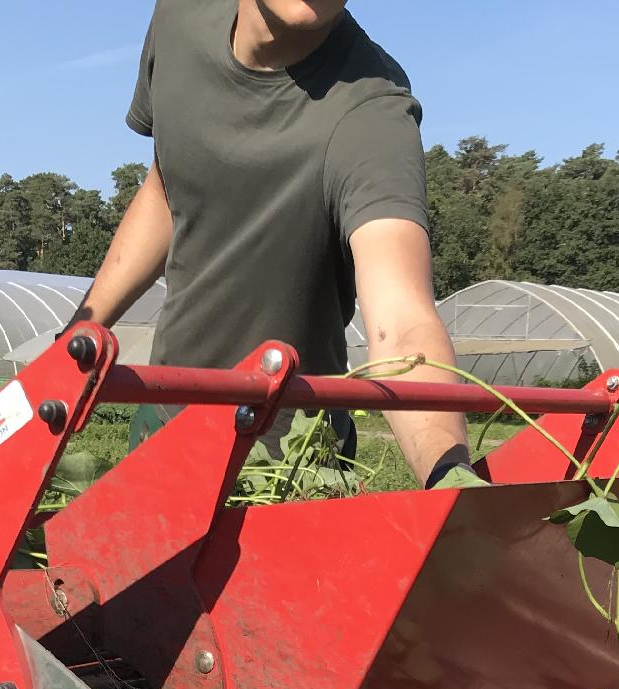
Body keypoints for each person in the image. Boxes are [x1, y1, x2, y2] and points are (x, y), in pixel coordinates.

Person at [71, 0, 479, 487]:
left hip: (287, 466)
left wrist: (451, 479)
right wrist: (79, 334)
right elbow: (166, 185)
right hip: (163, 421)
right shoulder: (178, 17)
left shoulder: (372, 113)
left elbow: (402, 321)